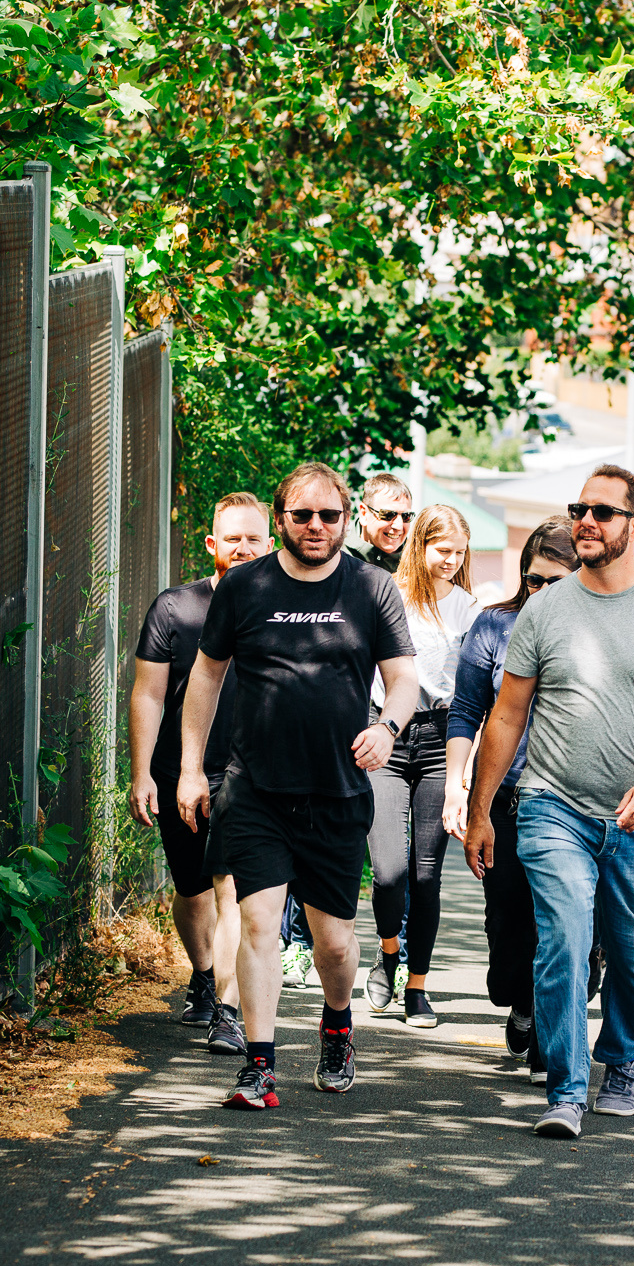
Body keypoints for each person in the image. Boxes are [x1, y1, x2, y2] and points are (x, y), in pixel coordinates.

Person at [464, 465, 634, 1139]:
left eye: (603, 510)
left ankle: (620, 1061)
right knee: (564, 937)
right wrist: (481, 807)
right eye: (580, 508)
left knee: (633, 952)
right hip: (552, 806)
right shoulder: (546, 608)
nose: (587, 520)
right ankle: (567, 1088)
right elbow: (507, 716)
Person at [176, 462, 417, 1109]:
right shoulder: (246, 586)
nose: (316, 526)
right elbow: (205, 677)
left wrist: (389, 726)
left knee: (335, 942)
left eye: (329, 516)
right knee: (258, 923)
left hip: (337, 792)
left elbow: (404, 678)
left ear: (345, 519)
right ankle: (259, 1065)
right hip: (256, 789)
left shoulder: (370, 588)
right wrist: (192, 766)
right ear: (281, 516)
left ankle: (337, 1027)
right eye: (302, 514)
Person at [126, 492, 270, 1057]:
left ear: (270, 544)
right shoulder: (175, 609)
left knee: (231, 887)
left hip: (249, 775)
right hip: (178, 770)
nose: (242, 547)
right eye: (231, 537)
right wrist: (143, 774)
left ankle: (228, 1011)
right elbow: (148, 694)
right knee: (192, 889)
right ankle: (205, 975)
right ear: (213, 545)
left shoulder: (282, 611)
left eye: (253, 538)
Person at [443, 518, 580, 1083]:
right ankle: (520, 996)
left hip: (573, 799)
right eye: (533, 580)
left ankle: (553, 1033)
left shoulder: (595, 627)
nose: (541, 592)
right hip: (505, 795)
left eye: (555, 580)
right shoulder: (495, 626)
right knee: (510, 926)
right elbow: (466, 710)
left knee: (564, 924)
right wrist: (458, 787)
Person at [365, 504, 481, 1027]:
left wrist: (468, 765)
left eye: (459, 553)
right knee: (389, 870)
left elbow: (475, 692)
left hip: (441, 738)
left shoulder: (468, 609)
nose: (450, 562)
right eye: (442, 551)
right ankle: (389, 951)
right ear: (420, 547)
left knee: (426, 873)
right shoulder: (387, 596)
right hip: (387, 736)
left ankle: (417, 985)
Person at [347, 472, 413, 573]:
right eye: (388, 515)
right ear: (364, 514)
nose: (398, 526)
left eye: (406, 516)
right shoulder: (335, 557)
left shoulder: (419, 562)